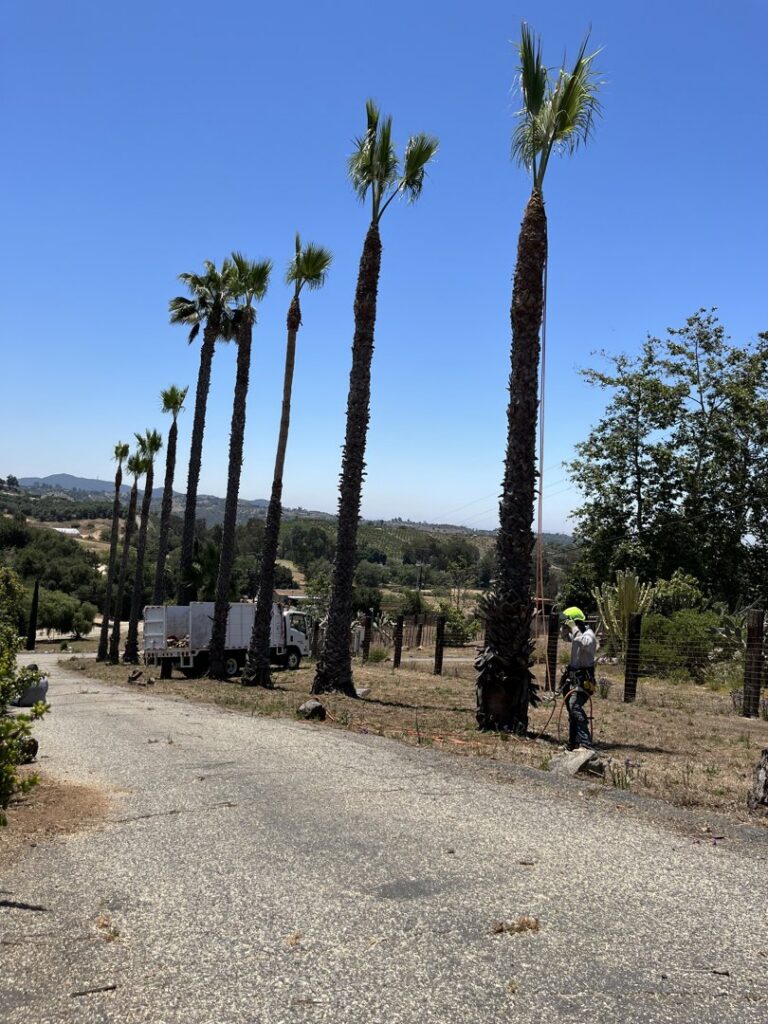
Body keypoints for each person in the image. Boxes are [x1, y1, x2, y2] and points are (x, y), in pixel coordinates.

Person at [559, 607, 597, 750]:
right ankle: (573, 743)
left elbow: (584, 643)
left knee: (575, 706)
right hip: (573, 679)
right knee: (571, 710)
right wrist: (565, 631)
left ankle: (586, 742)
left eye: (567, 624)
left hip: (584, 680)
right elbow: (569, 638)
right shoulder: (578, 634)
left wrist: (573, 627)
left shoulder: (588, 635)